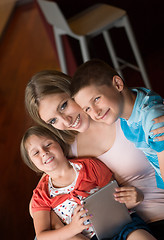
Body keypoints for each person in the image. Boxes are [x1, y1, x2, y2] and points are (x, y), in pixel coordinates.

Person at [25, 70, 164, 239]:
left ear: (75, 91)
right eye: (53, 121)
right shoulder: (66, 148)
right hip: (117, 226)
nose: (66, 121)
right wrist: (57, 224)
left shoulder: (117, 109)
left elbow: (150, 110)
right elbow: (38, 200)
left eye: (64, 105)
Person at [20, 125, 156, 240]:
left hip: (121, 225)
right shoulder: (41, 194)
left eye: (48, 144)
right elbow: (42, 236)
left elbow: (115, 196)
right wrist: (71, 229)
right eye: (36, 153)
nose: (44, 152)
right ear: (32, 163)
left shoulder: (89, 166)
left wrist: (134, 198)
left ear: (59, 144)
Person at [70, 59, 164, 190]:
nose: (96, 112)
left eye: (97, 99)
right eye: (87, 109)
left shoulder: (154, 121)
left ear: (118, 84)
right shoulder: (129, 110)